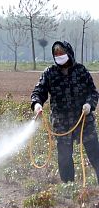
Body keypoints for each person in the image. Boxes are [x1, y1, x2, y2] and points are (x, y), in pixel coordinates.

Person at [31, 40, 99, 184]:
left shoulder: (81, 71)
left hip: (84, 121)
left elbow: (93, 92)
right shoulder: (49, 73)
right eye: (56, 54)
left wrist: (89, 104)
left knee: (95, 154)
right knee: (64, 158)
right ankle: (69, 188)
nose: (59, 56)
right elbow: (38, 92)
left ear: (69, 53)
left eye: (61, 53)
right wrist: (37, 105)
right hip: (61, 124)